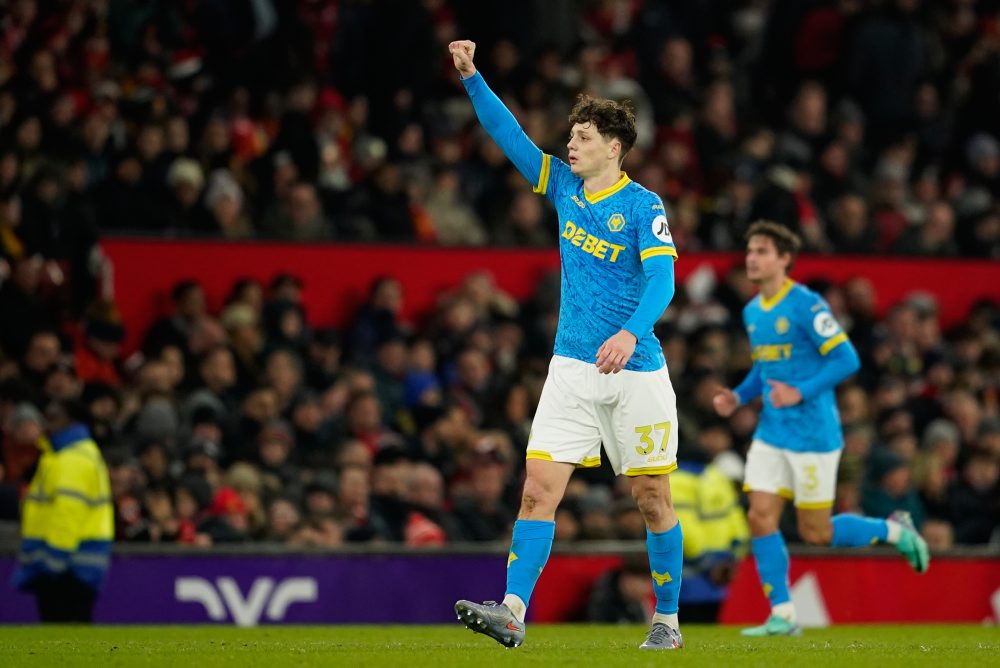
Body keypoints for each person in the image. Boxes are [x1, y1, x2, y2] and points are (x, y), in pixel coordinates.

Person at [449, 40, 684, 651]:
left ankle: (666, 619)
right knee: (536, 491)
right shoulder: (563, 187)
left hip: (636, 371)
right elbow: (509, 137)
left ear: (613, 147)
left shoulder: (643, 206)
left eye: (582, 137)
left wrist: (630, 332)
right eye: (571, 136)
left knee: (652, 500)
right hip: (571, 370)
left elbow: (662, 280)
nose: (570, 145)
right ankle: (511, 611)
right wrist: (473, 77)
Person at [712, 220, 930, 637]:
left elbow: (847, 359)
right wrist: (738, 396)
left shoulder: (807, 305)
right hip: (772, 433)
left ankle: (893, 529)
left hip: (813, 435)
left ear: (784, 259)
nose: (751, 259)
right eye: (750, 251)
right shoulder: (753, 310)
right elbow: (765, 367)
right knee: (760, 517)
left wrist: (800, 392)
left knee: (817, 531)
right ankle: (783, 614)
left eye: (761, 251)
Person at [13, 398, 114, 622]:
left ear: (71, 421)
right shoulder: (67, 455)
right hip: (73, 564)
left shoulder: (72, 459)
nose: (46, 424)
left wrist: (54, 560)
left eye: (54, 418)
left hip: (68, 565)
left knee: (62, 634)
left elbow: (67, 515)